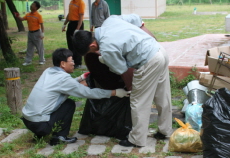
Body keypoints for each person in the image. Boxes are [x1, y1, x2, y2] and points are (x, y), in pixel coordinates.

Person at [72, 14, 173, 147]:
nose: (95, 51)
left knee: (138, 102)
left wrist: (104, 59)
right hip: (159, 51)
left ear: (92, 44)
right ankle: (165, 131)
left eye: (91, 50)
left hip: (148, 61)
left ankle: (137, 139)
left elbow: (121, 69)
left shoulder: (107, 48)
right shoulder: (110, 20)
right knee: (163, 95)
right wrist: (151, 37)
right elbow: (137, 19)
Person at [21, 48, 129, 146]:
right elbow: (88, 93)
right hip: (39, 124)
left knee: (64, 104)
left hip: (28, 120)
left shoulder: (48, 71)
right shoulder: (63, 79)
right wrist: (115, 92)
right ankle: (60, 137)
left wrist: (80, 77)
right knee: (69, 104)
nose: (74, 63)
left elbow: (62, 86)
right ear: (63, 64)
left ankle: (40, 133)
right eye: (71, 61)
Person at [15, 1, 45, 66]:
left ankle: (41, 60)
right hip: (30, 33)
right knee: (29, 47)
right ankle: (28, 61)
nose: (31, 5)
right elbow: (22, 19)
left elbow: (42, 25)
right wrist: (18, 16)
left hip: (37, 33)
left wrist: (42, 33)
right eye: (32, 4)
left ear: (36, 7)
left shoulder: (38, 15)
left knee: (39, 47)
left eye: (33, 5)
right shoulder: (28, 14)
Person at [62, 0, 85, 69]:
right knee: (70, 43)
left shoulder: (81, 2)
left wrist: (78, 29)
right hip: (71, 24)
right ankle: (72, 61)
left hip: (77, 23)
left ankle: (78, 63)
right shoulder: (72, 2)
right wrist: (65, 24)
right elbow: (69, 14)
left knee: (77, 44)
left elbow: (81, 17)